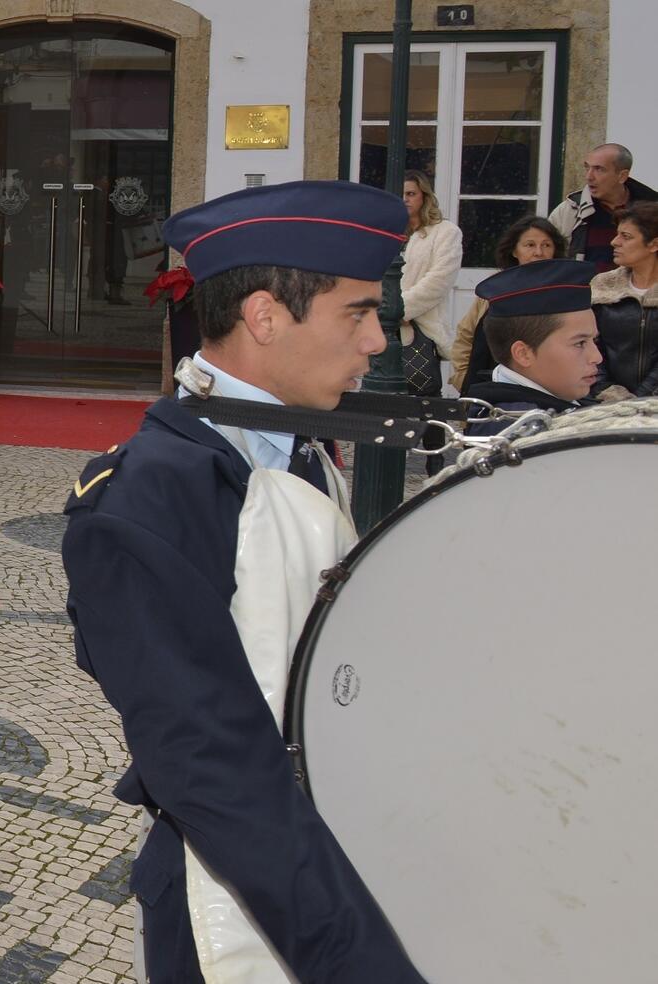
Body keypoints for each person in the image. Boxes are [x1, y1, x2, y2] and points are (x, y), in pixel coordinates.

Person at [62, 180, 424, 982]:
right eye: (357, 313)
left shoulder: (289, 440)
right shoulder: (141, 506)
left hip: (325, 858)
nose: (374, 342)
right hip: (234, 906)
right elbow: (217, 769)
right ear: (265, 316)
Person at [463, 259, 602, 433]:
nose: (597, 357)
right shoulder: (516, 429)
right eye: (580, 343)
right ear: (523, 354)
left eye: (594, 341)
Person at [448, 216, 564, 389]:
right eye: (530, 245)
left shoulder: (563, 292)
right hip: (489, 385)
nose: (539, 252)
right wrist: (464, 378)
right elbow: (466, 335)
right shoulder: (494, 288)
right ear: (514, 251)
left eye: (546, 245)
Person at [394, 171, 460, 398]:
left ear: (424, 196)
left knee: (425, 396)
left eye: (411, 193)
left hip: (422, 325)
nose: (405, 199)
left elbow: (440, 279)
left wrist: (400, 308)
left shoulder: (445, 232)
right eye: (400, 194)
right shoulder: (387, 233)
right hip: (380, 325)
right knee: (382, 400)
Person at [589, 202, 658, 401]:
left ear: (654, 244)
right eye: (617, 234)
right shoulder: (603, 285)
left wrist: (639, 400)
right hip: (603, 406)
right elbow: (588, 344)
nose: (614, 242)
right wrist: (608, 392)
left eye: (626, 237)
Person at [550, 143, 656, 272]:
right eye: (587, 168)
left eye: (599, 169)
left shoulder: (653, 210)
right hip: (585, 290)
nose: (589, 177)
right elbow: (548, 260)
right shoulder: (570, 210)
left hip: (641, 290)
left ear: (622, 176)